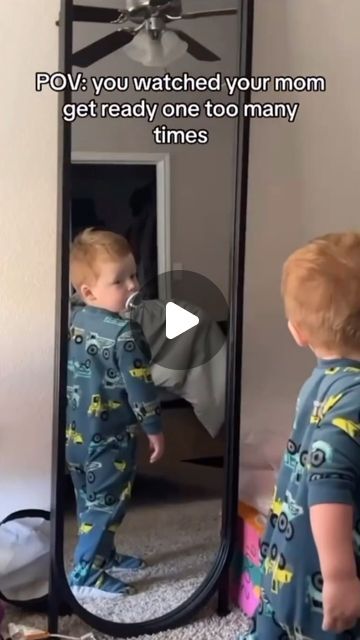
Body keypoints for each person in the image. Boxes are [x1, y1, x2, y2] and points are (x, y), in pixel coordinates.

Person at [240, 232, 360, 640]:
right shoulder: (355, 397)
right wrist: (341, 577)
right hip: (322, 577)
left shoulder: (319, 382)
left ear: (298, 332)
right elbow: (330, 486)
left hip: (283, 557)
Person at [66, 227, 165, 599]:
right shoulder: (126, 332)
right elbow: (140, 387)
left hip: (74, 436)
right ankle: (86, 571)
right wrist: (154, 428)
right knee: (107, 505)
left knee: (88, 500)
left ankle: (104, 555)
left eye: (133, 274)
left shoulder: (73, 320)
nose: (132, 285)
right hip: (109, 438)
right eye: (119, 280)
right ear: (89, 291)